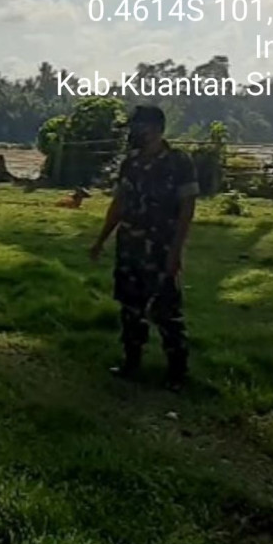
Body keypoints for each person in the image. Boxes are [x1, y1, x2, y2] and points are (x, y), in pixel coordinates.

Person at [89, 105, 199, 392]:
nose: (134, 134)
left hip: (161, 249)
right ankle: (131, 362)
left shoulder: (178, 162)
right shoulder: (131, 163)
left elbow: (187, 209)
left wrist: (176, 253)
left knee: (166, 312)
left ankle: (177, 373)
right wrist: (101, 240)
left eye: (140, 127)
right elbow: (119, 204)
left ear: (157, 129)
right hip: (129, 247)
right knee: (129, 307)